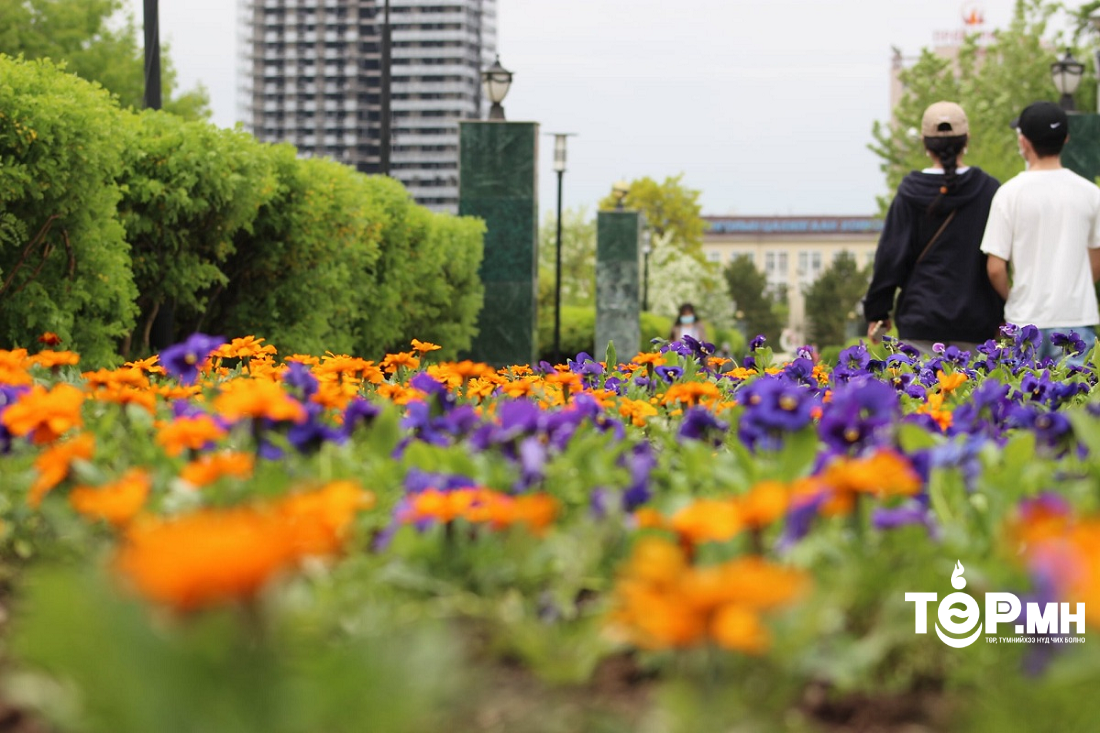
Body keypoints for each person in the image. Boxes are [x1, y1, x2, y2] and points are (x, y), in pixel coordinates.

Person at [863, 101, 1003, 355]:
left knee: (922, 394)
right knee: (975, 394)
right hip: (977, 323)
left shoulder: (909, 193)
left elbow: (890, 257)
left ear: (925, 143)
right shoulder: (990, 190)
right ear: (967, 140)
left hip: (920, 322)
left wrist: (877, 311)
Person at [980, 101, 1100, 364]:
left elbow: (995, 268)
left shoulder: (1008, 194)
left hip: (1024, 321)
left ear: (1024, 142)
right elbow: (1096, 261)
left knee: (1023, 400)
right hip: (1076, 319)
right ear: (1066, 139)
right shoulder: (1091, 193)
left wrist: (1015, 298)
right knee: (1076, 401)